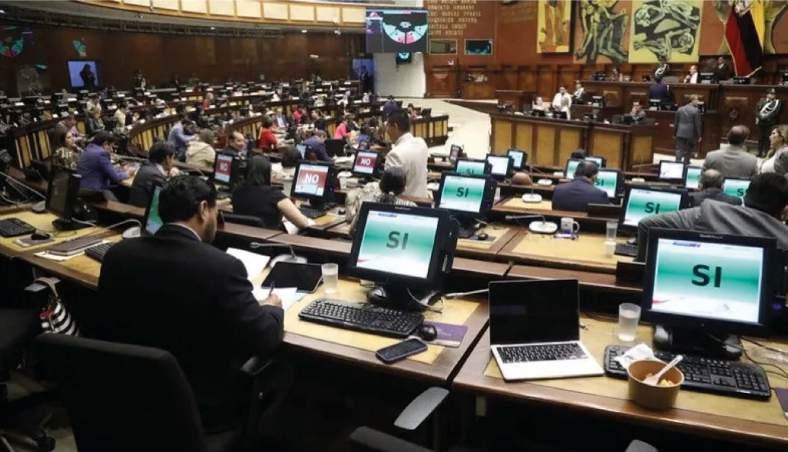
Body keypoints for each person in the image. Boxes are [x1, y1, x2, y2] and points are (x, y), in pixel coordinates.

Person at [94, 175, 284, 433]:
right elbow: (266, 337)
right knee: (286, 372)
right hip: (202, 409)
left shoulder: (118, 254)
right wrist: (272, 306)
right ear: (204, 209)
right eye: (216, 211)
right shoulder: (222, 267)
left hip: (130, 395)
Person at [636, 173, 788, 261]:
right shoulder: (784, 238)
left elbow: (646, 224)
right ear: (785, 210)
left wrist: (644, 272)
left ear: (746, 194)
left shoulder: (709, 212)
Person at [232, 155, 312, 230]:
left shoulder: (237, 191)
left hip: (241, 236)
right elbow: (303, 223)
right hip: (269, 237)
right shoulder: (274, 195)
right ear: (267, 173)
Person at [346, 167, 418, 236]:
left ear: (380, 185)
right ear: (404, 189)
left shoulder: (367, 204)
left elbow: (352, 231)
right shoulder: (411, 207)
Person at [77, 132, 134, 200]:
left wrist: (121, 169)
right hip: (94, 191)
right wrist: (128, 173)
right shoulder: (101, 154)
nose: (112, 150)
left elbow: (106, 170)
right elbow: (115, 177)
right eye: (111, 146)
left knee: (121, 190)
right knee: (126, 192)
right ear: (105, 144)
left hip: (82, 188)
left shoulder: (89, 149)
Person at [384, 112, 429, 199]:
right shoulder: (421, 143)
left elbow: (388, 191)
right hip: (423, 200)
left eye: (388, 126)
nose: (387, 131)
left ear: (395, 126)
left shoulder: (395, 154)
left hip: (404, 203)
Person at [129, 142, 180, 207]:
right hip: (141, 210)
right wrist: (175, 178)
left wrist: (168, 175)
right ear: (167, 158)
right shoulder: (154, 175)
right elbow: (168, 195)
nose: (173, 161)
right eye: (173, 158)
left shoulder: (148, 166)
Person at [673, 95, 702, 163]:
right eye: (697, 100)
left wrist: (674, 133)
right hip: (690, 133)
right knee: (689, 149)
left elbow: (676, 123)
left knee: (679, 149)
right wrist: (699, 135)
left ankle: (678, 161)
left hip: (680, 131)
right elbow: (697, 124)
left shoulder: (680, 109)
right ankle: (686, 162)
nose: (697, 102)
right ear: (692, 100)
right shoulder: (696, 110)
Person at [755, 88, 783, 157]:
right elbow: (756, 110)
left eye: (773, 94)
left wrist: (765, 117)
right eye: (771, 94)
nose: (772, 95)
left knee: (768, 138)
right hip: (761, 122)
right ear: (767, 94)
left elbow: (776, 112)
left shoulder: (777, 102)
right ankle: (759, 152)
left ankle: (766, 152)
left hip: (770, 123)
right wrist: (760, 116)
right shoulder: (762, 100)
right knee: (760, 137)